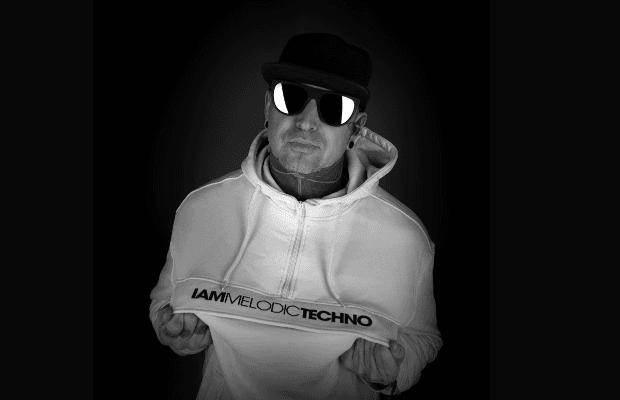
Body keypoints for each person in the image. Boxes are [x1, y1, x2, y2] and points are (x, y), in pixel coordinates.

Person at [149, 32, 442, 400]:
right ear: (267, 107)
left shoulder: (404, 237)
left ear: (355, 127)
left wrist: (392, 370)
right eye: (291, 97)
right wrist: (175, 330)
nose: (306, 122)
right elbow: (165, 300)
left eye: (335, 107)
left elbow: (422, 337)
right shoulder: (201, 209)